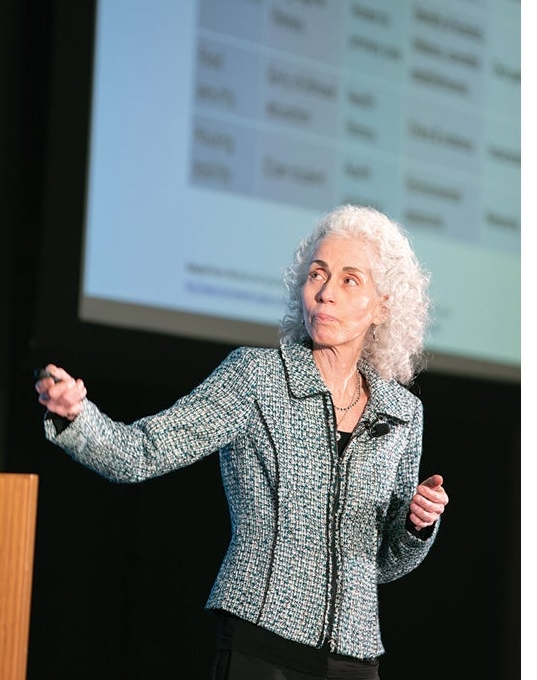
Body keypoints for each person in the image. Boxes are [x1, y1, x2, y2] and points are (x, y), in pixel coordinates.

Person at [34, 204, 449, 680]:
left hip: (356, 659)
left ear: (383, 305)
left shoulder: (402, 411)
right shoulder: (256, 377)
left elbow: (385, 562)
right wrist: (76, 416)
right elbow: (140, 453)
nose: (326, 292)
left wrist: (417, 525)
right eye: (317, 274)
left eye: (350, 279)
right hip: (261, 644)